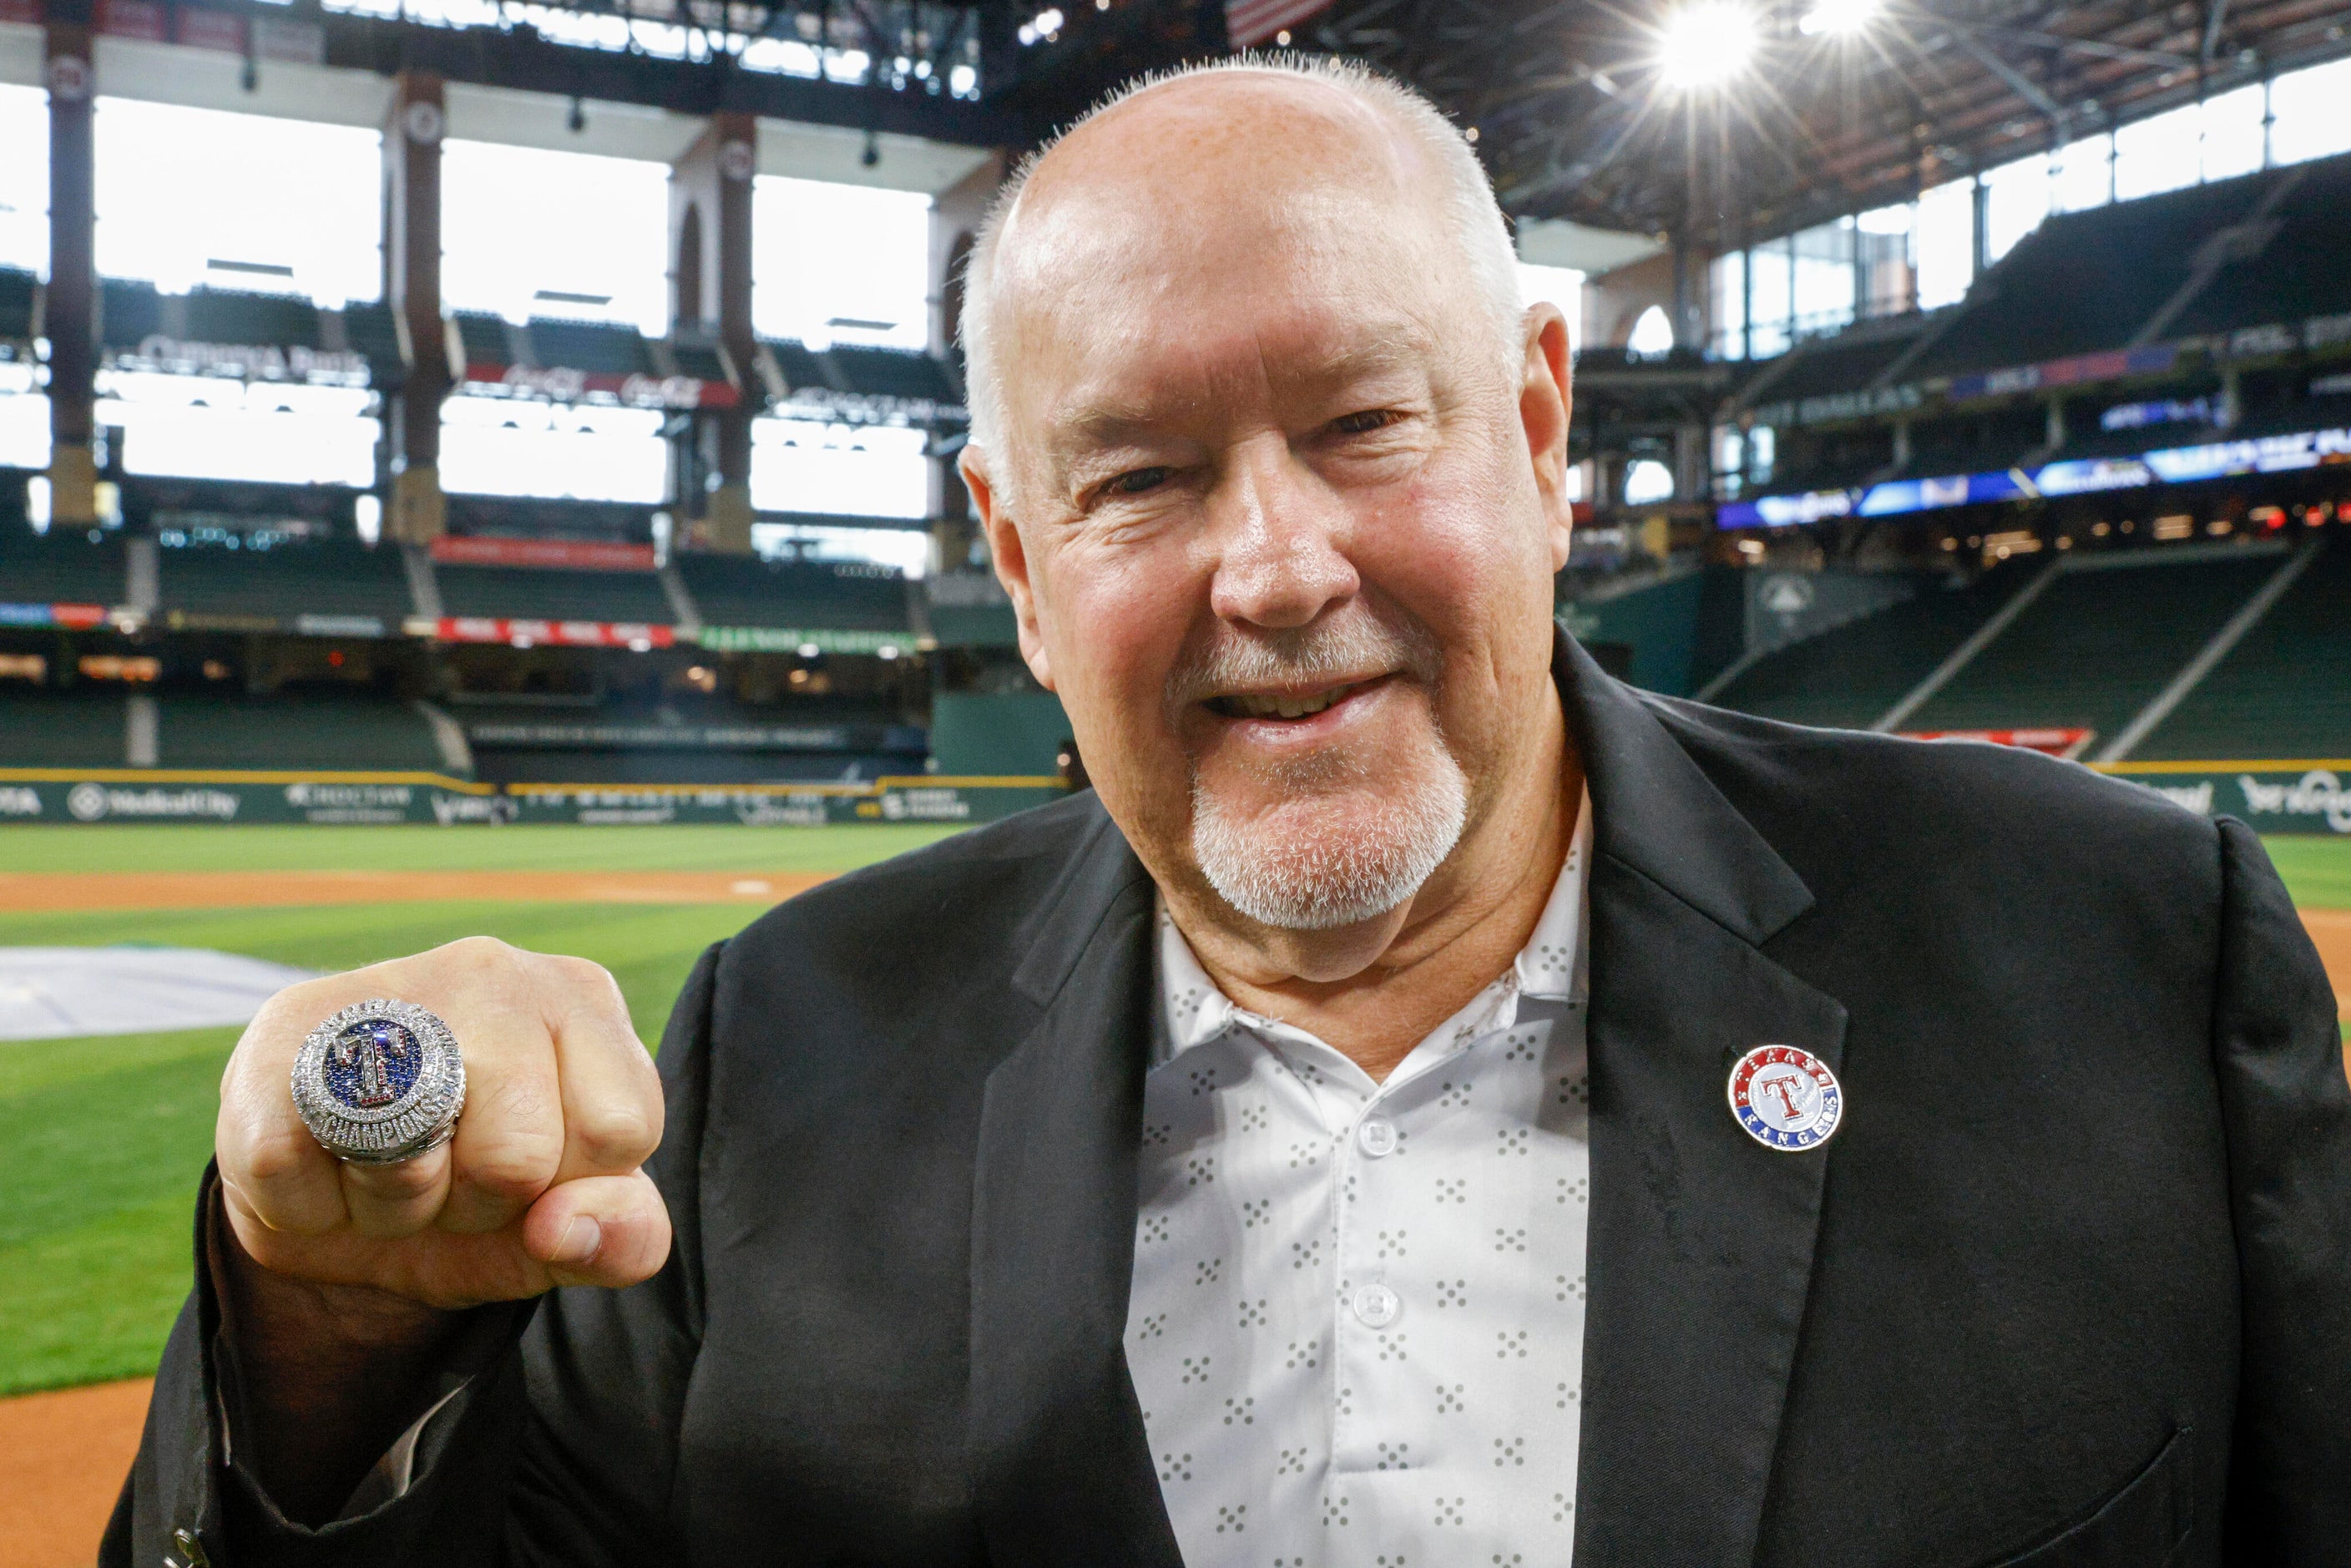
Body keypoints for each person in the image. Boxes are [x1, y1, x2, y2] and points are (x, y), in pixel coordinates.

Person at [109, 58, 2349, 1568]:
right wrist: (321, 1337)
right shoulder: (772, 1060)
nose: (1272, 570)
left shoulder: (2124, 957)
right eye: (1143, 477)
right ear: (1015, 556)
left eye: (1366, 423)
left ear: (1541, 429)